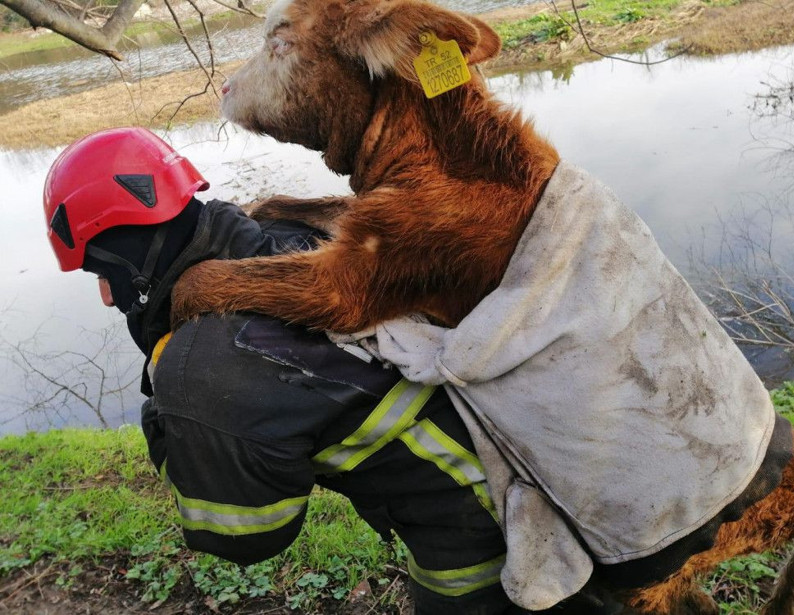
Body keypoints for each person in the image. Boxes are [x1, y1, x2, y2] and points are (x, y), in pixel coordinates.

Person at [43, 127, 622, 615]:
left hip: (480, 524)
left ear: (132, 258)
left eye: (101, 272)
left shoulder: (204, 366)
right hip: (550, 461)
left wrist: (166, 412)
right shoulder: (292, 239)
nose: (103, 296)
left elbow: (243, 535)